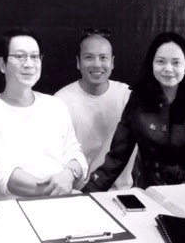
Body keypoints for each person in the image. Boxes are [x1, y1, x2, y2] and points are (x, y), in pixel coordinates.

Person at [82, 32, 185, 192]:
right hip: (152, 192)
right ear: (151, 64)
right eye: (161, 61)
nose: (168, 68)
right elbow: (117, 157)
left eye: (176, 62)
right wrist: (88, 193)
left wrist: (183, 190)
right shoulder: (138, 98)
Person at [0, 28, 88, 201]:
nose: (29, 64)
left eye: (34, 57)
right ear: (2, 64)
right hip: (13, 209)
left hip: (62, 203)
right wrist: (55, 189)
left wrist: (69, 175)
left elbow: (75, 154)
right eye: (20, 56)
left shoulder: (55, 105)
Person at [54, 28, 137, 190]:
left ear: (112, 62)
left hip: (121, 193)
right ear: (78, 62)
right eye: (89, 57)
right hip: (75, 192)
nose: (97, 64)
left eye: (103, 57)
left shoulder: (127, 96)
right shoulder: (61, 101)